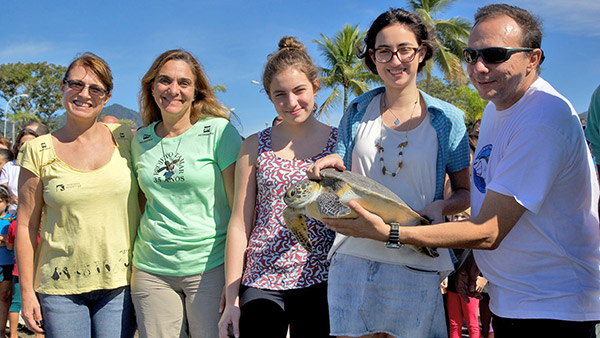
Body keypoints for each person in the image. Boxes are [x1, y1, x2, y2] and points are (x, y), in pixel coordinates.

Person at [319, 4, 600, 337]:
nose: (480, 67)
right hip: (513, 298)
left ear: (533, 58)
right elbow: (497, 204)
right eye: (471, 55)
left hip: (554, 306)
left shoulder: (542, 119)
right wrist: (474, 259)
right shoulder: (498, 108)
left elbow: (489, 230)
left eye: (495, 54)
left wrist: (388, 233)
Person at [309, 8, 470, 338]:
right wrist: (328, 165)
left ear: (421, 52)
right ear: (372, 56)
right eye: (383, 51)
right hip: (353, 254)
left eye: (404, 50)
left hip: (415, 254)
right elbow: (339, 162)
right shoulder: (356, 111)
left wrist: (441, 207)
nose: (394, 60)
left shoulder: (447, 118)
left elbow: (465, 192)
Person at [218, 37, 337, 338]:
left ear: (315, 87)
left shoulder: (340, 142)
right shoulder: (254, 145)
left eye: (299, 91)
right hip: (261, 280)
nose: (291, 102)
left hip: (322, 278)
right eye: (280, 95)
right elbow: (240, 224)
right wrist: (232, 296)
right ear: (270, 98)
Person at [16, 52, 140, 337]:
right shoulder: (38, 150)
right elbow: (25, 225)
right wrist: (27, 292)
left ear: (106, 97)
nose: (84, 94)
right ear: (62, 87)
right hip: (60, 289)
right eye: (76, 84)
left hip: (120, 284)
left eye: (95, 88)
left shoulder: (125, 139)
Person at [130, 49, 242, 338]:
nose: (173, 90)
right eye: (165, 81)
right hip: (151, 269)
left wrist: (235, 279)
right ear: (152, 86)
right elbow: (145, 203)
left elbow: (238, 211)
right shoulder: (140, 140)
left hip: (210, 267)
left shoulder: (219, 132)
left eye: (184, 83)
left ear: (196, 92)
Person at [0, 128, 40, 215]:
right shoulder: (9, 167)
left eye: (31, 143)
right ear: (18, 146)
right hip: (13, 214)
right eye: (23, 144)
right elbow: (3, 189)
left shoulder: (44, 166)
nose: (27, 147)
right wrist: (12, 198)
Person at [0, 187, 13, 338]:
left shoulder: (12, 220)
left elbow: (12, 240)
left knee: (4, 297)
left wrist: (5, 240)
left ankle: (2, 331)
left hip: (7, 262)